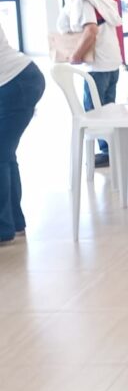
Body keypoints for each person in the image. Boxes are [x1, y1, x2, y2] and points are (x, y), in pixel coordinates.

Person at [56, 0, 122, 167]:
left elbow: (91, 30)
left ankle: (105, 152)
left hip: (98, 64)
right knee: (109, 106)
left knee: (94, 110)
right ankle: (112, 148)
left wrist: (76, 54)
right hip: (112, 60)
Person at [0, 25, 45, 245]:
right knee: (5, 152)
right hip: (20, 78)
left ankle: (3, 227)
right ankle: (14, 223)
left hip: (14, 83)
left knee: (1, 152)